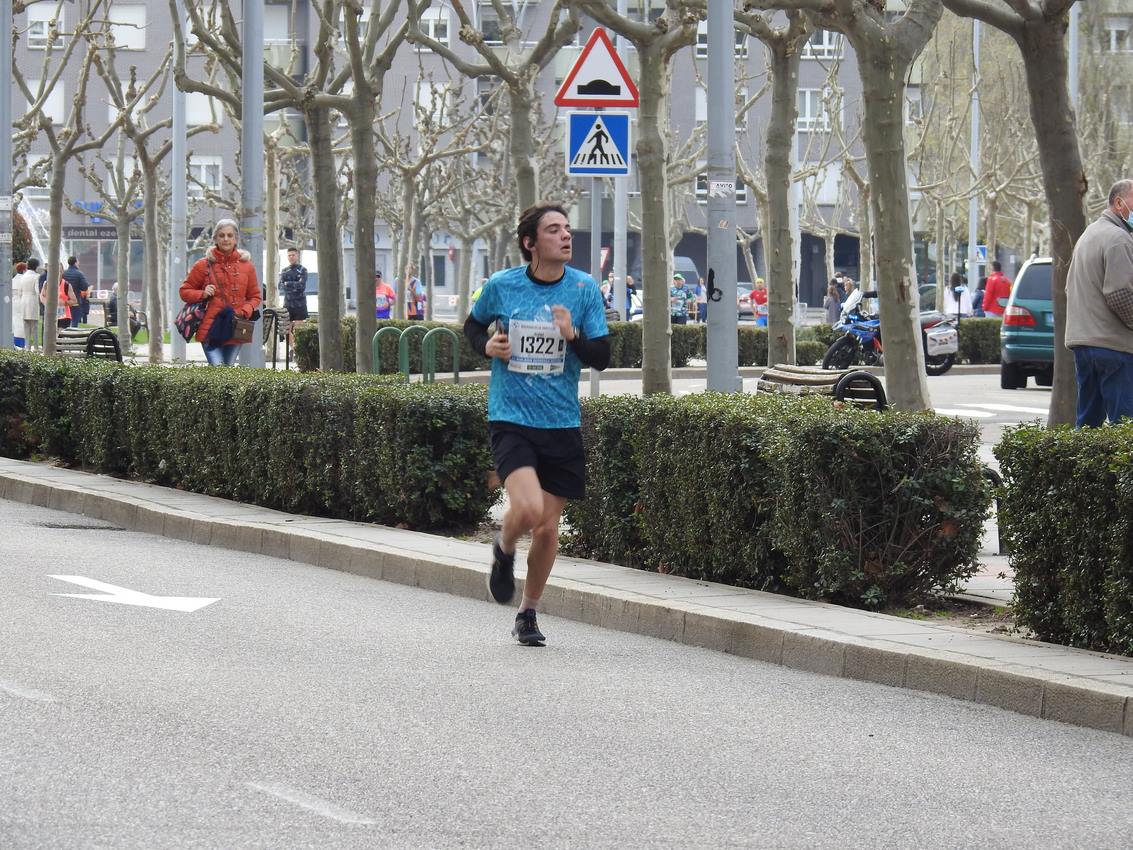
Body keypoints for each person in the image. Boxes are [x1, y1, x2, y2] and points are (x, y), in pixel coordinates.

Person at [462, 202, 610, 646]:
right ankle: (503, 549)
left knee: (547, 528)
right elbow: (472, 327)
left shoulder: (584, 289)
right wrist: (488, 346)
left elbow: (602, 357)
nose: (565, 236)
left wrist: (573, 337)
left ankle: (528, 612)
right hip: (512, 418)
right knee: (525, 511)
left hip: (561, 423)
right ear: (531, 243)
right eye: (553, 230)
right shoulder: (502, 285)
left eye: (567, 228)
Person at [1065, 178, 1133, 427]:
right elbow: (1120, 294)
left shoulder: (1089, 235)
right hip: (1113, 346)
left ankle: (1080, 468)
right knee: (1124, 425)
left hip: (1085, 343)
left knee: (1088, 422)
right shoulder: (1119, 239)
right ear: (1119, 203)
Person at [178, 218, 262, 366]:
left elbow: (255, 296)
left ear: (236, 239)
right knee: (218, 369)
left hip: (235, 327)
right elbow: (184, 291)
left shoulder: (247, 266)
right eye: (221, 235)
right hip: (210, 329)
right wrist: (202, 294)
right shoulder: (202, 265)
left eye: (230, 235)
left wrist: (245, 310)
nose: (225, 239)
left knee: (227, 370)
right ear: (215, 238)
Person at [14, 261, 40, 350]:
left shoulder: (23, 277)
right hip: (33, 302)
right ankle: (36, 348)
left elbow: (19, 292)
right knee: (34, 328)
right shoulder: (36, 276)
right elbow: (37, 291)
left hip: (23, 302)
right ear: (36, 266)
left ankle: (27, 347)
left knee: (26, 327)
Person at [279, 247, 309, 324]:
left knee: (298, 330)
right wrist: (295, 284)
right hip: (288, 303)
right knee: (287, 330)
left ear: (297, 255)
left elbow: (301, 286)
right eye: (289, 255)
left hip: (300, 304)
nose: (291, 257)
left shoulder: (303, 270)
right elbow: (281, 286)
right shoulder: (284, 271)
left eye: (293, 255)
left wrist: (288, 283)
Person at [63, 256, 91, 327]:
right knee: (75, 321)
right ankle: (72, 335)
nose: (79, 263)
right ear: (75, 263)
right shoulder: (79, 274)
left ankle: (65, 335)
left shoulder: (64, 273)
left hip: (65, 301)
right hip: (76, 301)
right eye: (78, 262)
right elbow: (85, 287)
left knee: (65, 321)